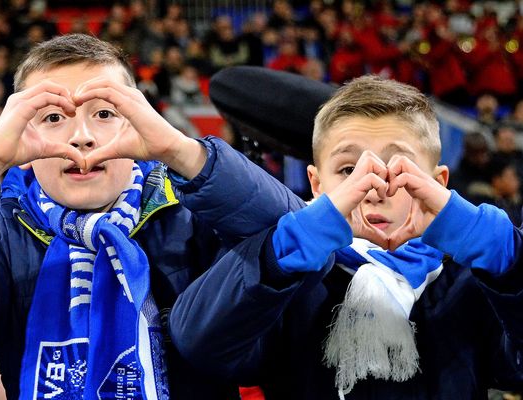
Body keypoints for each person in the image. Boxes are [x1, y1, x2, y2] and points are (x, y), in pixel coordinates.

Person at [0, 34, 301, 399]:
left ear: (137, 121)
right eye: (53, 117)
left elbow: (297, 239)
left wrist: (179, 150)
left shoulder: (196, 215)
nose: (82, 136)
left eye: (104, 113)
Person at [170, 75, 523, 399]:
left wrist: (499, 249)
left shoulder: (470, 280)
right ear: (316, 184)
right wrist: (293, 243)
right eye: (349, 170)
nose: (371, 188)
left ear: (439, 183)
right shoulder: (285, 274)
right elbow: (203, 346)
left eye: (398, 168)